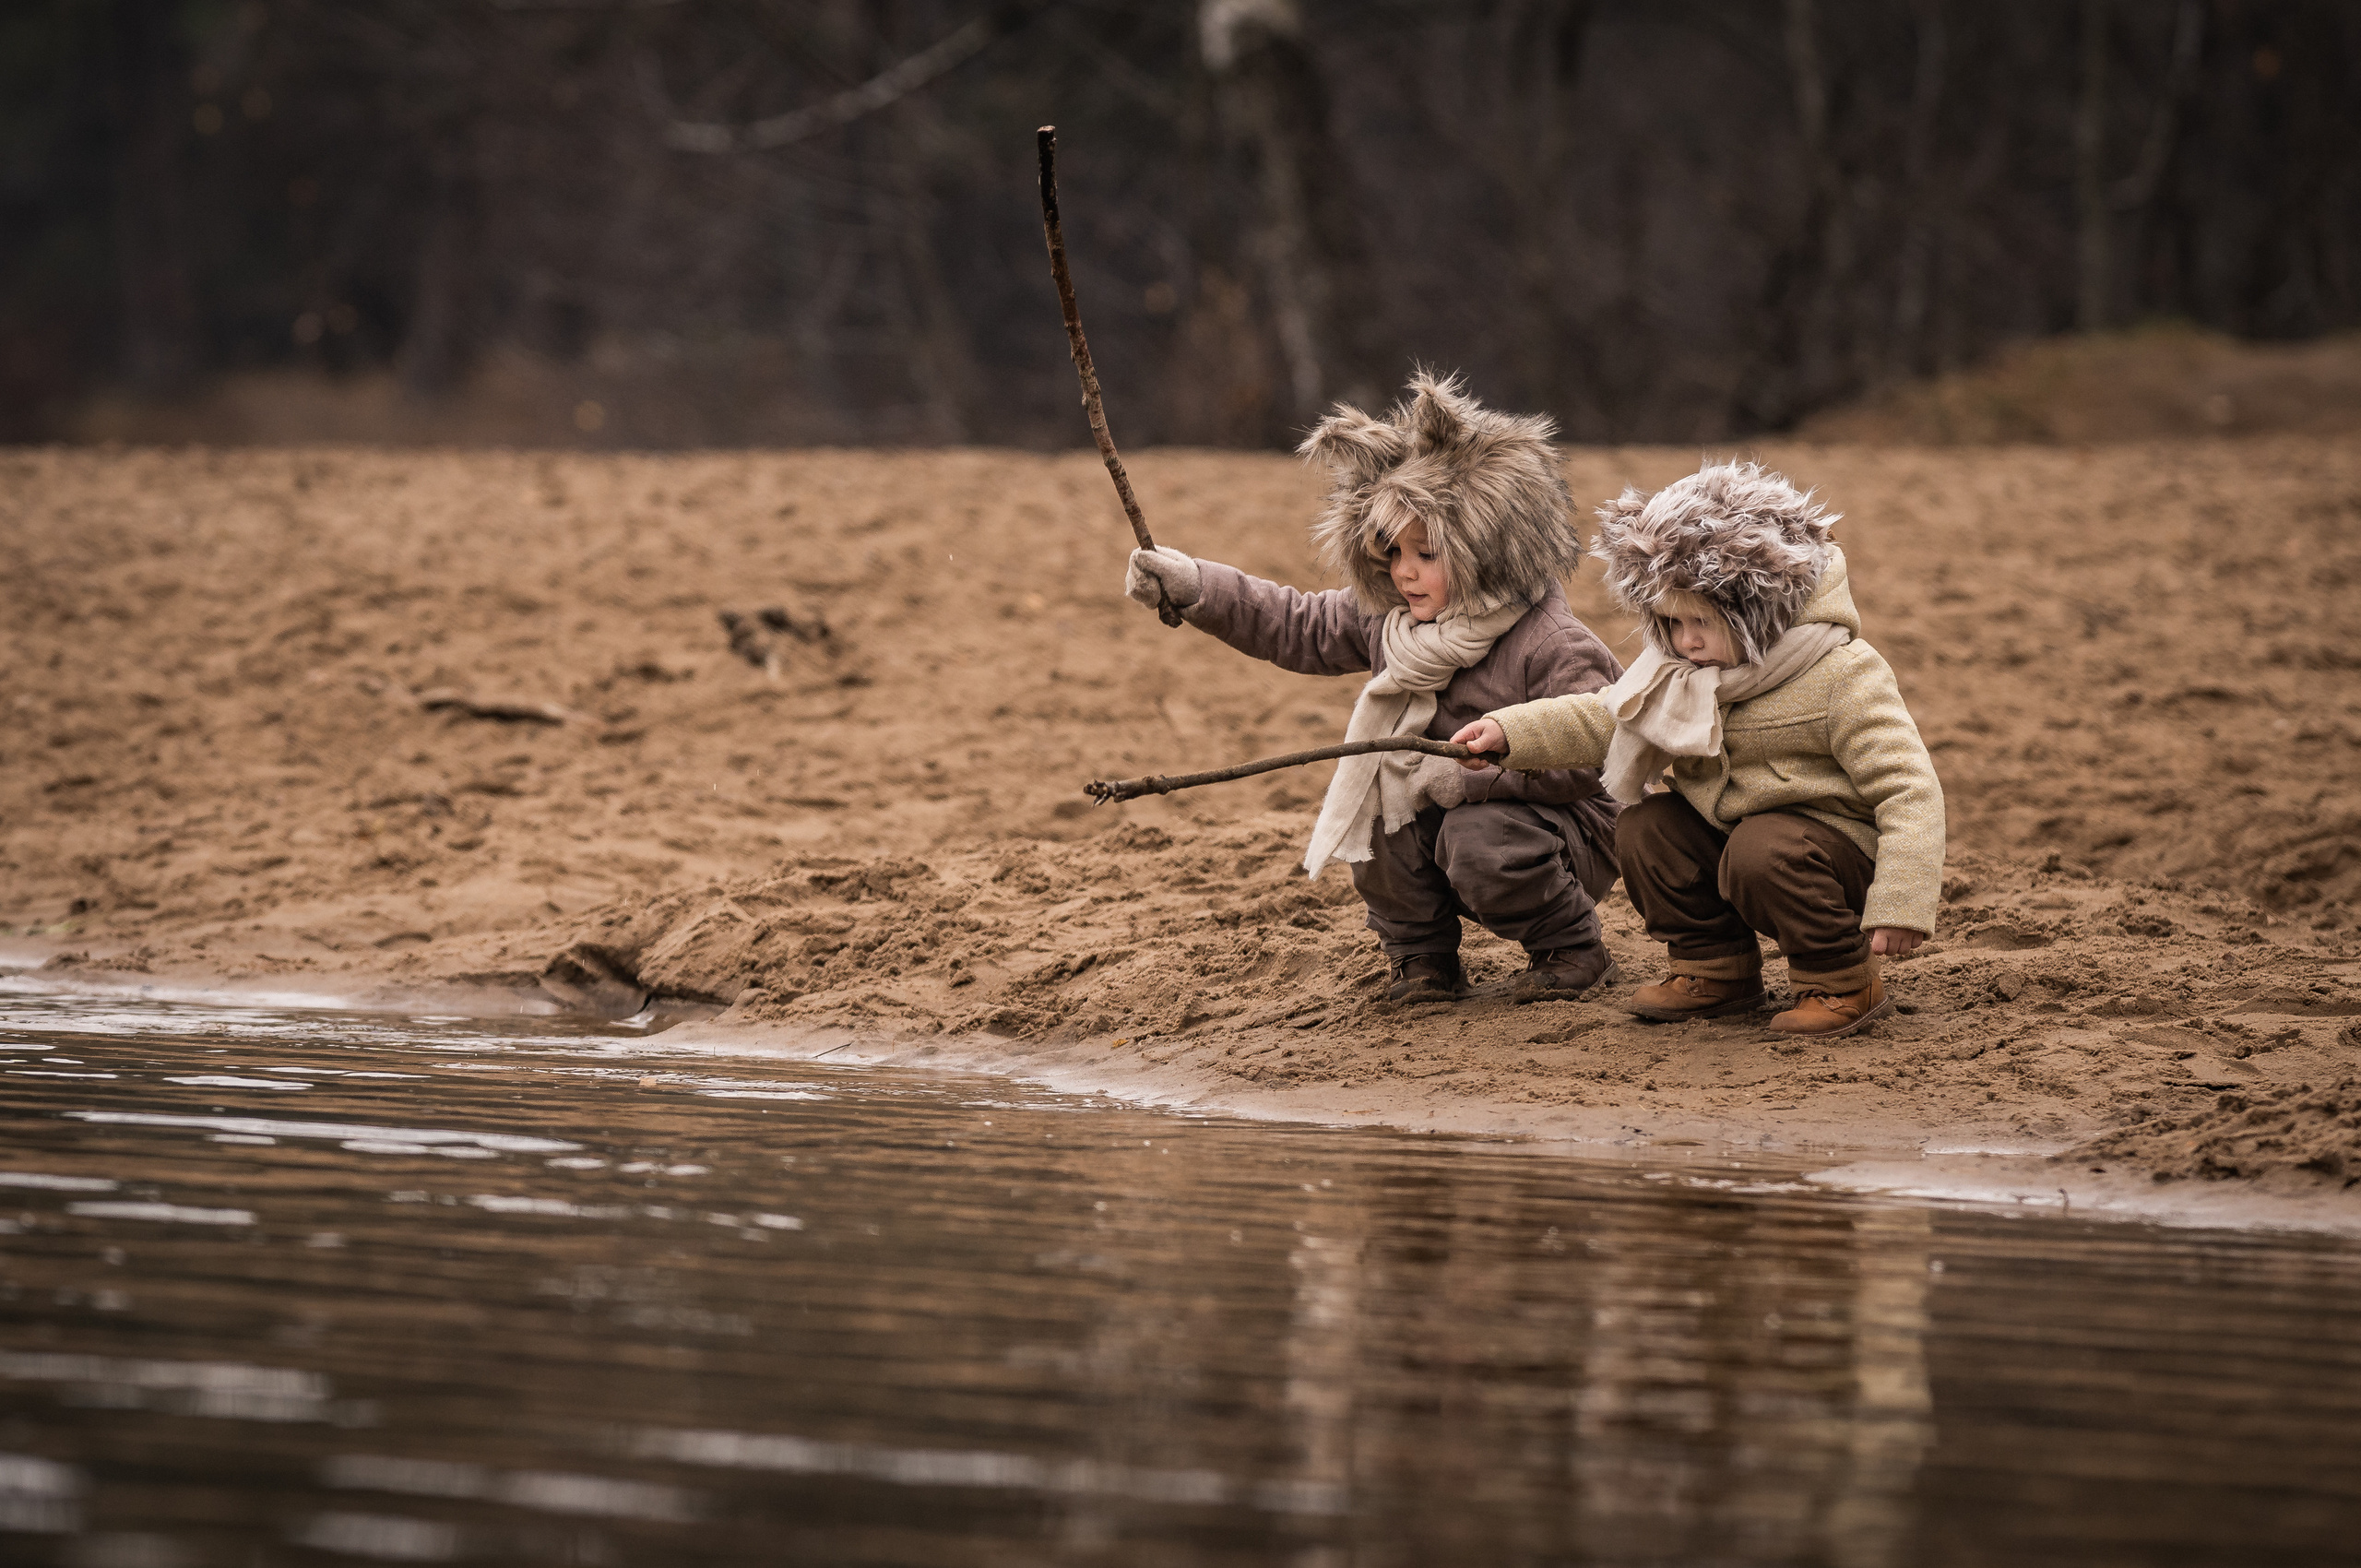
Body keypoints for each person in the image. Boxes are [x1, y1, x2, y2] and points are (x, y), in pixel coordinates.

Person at [1122, 372, 1624, 1003]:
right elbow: (1292, 623)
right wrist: (1197, 586)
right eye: (1391, 551)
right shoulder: (1389, 619)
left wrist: (1467, 779)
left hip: (1566, 826)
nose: (1404, 572)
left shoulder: (1551, 641)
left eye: (1426, 553)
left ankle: (1572, 948)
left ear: (1487, 549)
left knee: (1481, 840)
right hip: (1442, 805)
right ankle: (1423, 959)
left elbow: (1594, 758)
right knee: (1379, 811)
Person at [1451, 459, 1944, 1039]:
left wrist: (1903, 903)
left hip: (1836, 858)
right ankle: (1715, 969)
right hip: (1739, 844)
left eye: (1704, 621)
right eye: (1671, 621)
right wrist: (1509, 734)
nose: (1685, 640)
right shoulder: (1681, 669)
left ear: (1761, 607)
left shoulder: (1842, 674)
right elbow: (1605, 717)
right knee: (1648, 827)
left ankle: (1840, 981)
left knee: (1765, 848)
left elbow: (1908, 789)